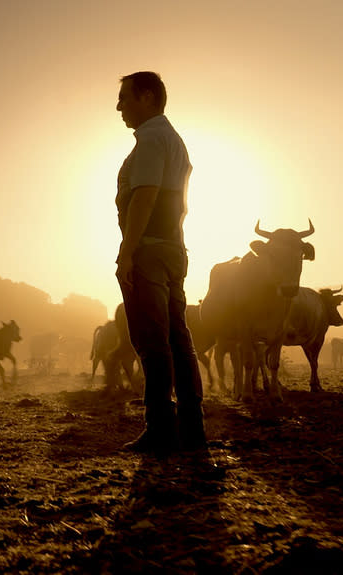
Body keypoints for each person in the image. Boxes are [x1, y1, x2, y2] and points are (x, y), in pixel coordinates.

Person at [113, 71, 205, 454]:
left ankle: (161, 429)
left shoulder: (150, 138)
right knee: (178, 338)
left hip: (149, 249)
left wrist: (127, 251)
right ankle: (192, 428)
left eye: (125, 97)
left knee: (152, 340)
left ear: (148, 97)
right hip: (172, 248)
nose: (119, 106)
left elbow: (146, 196)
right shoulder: (175, 140)